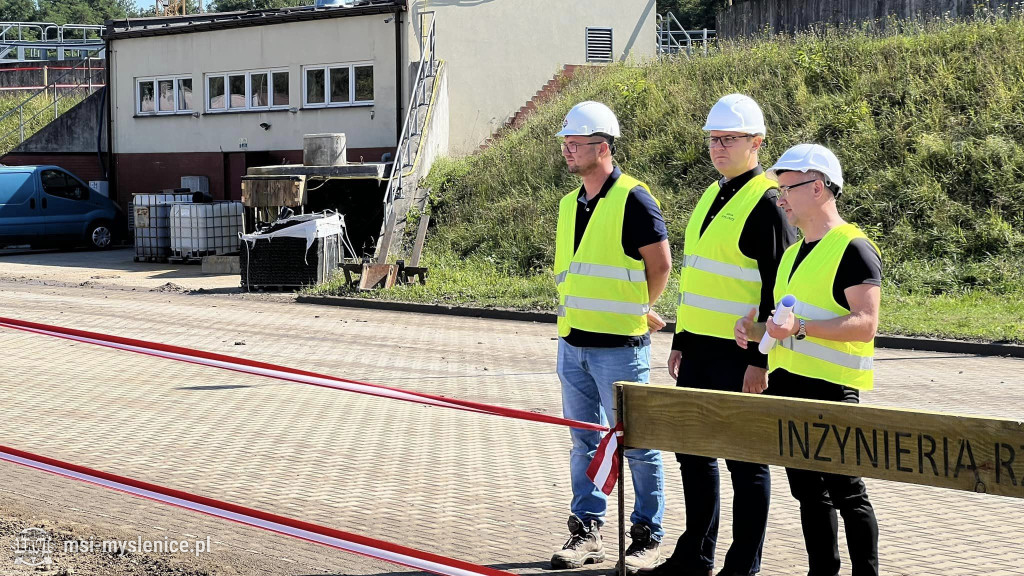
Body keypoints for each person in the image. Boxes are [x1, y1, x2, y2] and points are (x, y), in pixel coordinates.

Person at [646, 94, 796, 576]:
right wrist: (682, 337)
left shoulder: (770, 202)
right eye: (713, 139)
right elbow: (699, 277)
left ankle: (742, 566)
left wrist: (761, 358)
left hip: (741, 355)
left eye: (729, 139)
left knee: (746, 464)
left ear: (757, 142)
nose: (718, 147)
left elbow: (779, 286)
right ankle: (695, 555)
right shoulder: (713, 193)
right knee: (693, 452)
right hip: (700, 351)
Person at [735, 143, 881, 576]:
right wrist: (756, 332)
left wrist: (798, 328)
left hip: (832, 390)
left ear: (817, 188)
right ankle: (823, 571)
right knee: (806, 490)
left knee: (846, 492)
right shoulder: (793, 254)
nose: (780, 199)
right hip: (790, 385)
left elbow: (866, 323)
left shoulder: (853, 247)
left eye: (786, 189)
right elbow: (786, 323)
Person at [550, 101, 672, 573]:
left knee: (638, 445)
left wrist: (640, 309)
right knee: (584, 441)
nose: (567, 150)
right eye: (565, 143)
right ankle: (587, 531)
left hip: (620, 347)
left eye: (576, 143)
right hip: (573, 343)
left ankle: (646, 534)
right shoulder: (569, 204)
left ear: (603, 147)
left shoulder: (634, 199)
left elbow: (659, 265)